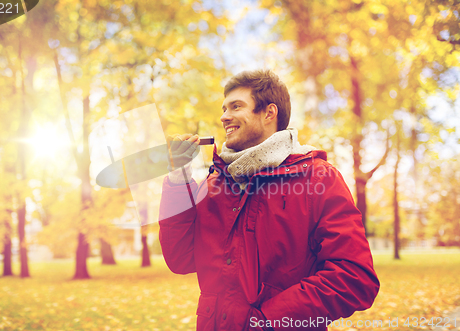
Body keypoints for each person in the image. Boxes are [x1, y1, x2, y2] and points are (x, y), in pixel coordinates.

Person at [158, 69, 379, 331]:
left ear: (269, 113)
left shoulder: (318, 178)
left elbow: (354, 278)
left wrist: (266, 321)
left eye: (236, 106)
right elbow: (180, 258)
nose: (224, 116)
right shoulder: (214, 183)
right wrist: (178, 175)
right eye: (224, 108)